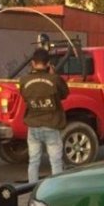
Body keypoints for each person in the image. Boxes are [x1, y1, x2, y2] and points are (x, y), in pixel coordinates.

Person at [20, 48, 68, 182]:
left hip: (33, 126)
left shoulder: (24, 80)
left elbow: (24, 96)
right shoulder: (54, 79)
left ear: (33, 63)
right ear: (48, 64)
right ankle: (55, 190)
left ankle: (32, 189)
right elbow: (65, 94)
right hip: (51, 124)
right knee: (56, 162)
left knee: (33, 161)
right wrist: (54, 74)